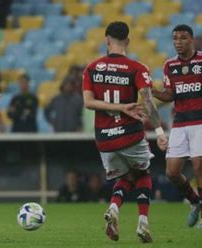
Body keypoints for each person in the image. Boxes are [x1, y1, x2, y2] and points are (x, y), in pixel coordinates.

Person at [82, 21, 168, 243]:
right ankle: (143, 222)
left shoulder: (91, 67)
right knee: (143, 174)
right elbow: (148, 101)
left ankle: (113, 207)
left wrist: (116, 108)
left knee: (125, 177)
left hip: (104, 139)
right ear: (127, 41)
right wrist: (159, 130)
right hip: (130, 134)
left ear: (106, 40)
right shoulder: (137, 68)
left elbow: (88, 103)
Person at [152, 24, 202, 229]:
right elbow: (170, 96)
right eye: (175, 38)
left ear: (192, 39)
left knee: (198, 165)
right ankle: (194, 201)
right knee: (172, 172)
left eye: (183, 38)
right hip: (180, 122)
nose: (178, 42)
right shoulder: (170, 65)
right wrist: (152, 91)